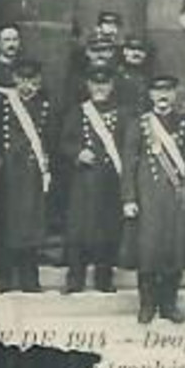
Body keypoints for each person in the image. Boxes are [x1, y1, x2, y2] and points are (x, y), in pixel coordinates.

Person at [120, 75, 185, 323]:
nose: (163, 96)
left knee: (173, 251)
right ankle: (147, 305)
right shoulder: (140, 124)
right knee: (149, 252)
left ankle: (169, 304)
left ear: (175, 94)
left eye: (168, 91)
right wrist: (129, 198)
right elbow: (128, 163)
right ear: (150, 95)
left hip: (177, 196)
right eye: (157, 91)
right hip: (149, 197)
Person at [0, 58, 55, 293]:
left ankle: (30, 279)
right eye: (23, 80)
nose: (28, 86)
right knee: (6, 224)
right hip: (8, 174)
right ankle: (3, 278)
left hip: (33, 173)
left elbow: (50, 140)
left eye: (33, 81)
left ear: (39, 81)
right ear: (14, 80)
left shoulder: (45, 106)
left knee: (31, 225)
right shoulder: (3, 104)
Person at [58, 66, 127, 294]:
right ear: (88, 86)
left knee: (107, 230)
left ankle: (104, 278)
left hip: (110, 181)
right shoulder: (78, 112)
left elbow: (128, 144)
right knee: (79, 229)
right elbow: (65, 141)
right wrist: (78, 153)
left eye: (104, 83)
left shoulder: (122, 113)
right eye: (95, 83)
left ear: (112, 86)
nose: (100, 87)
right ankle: (75, 278)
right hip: (84, 180)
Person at [117, 36, 153, 114]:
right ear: (125, 51)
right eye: (132, 49)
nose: (137, 53)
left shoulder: (148, 77)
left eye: (141, 50)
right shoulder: (116, 75)